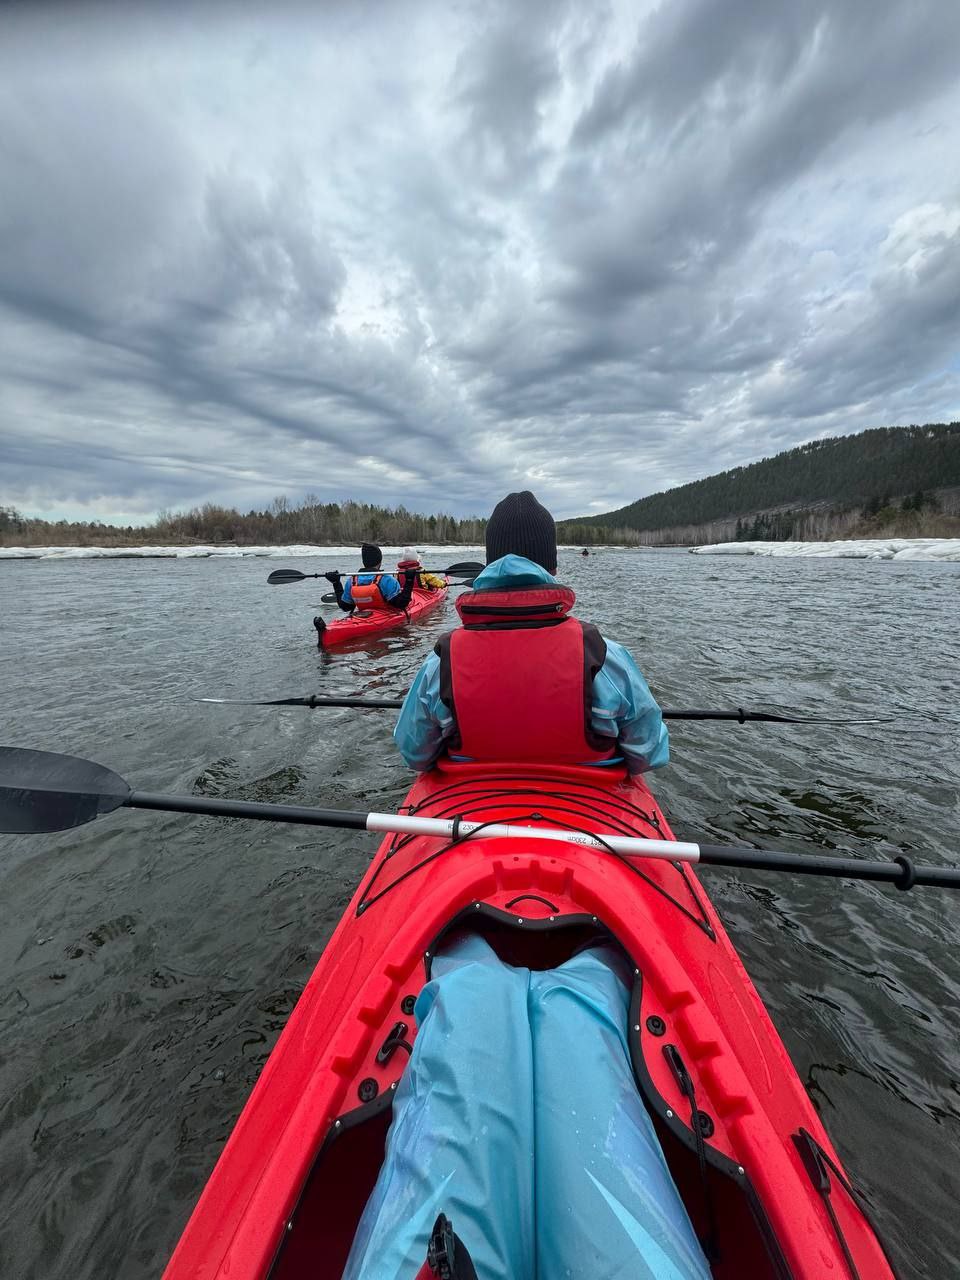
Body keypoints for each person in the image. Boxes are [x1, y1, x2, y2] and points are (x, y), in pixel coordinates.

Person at [394, 491, 668, 780]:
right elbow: (648, 754)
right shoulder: (604, 656)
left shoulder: (441, 660)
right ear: (553, 568)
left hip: (469, 803)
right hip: (589, 800)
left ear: (488, 567)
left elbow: (415, 754)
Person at [326, 542, 416, 614]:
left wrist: (336, 583)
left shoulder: (352, 581)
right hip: (384, 617)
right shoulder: (387, 580)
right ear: (380, 562)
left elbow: (345, 607)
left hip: (363, 616)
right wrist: (409, 580)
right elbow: (401, 604)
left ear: (364, 562)